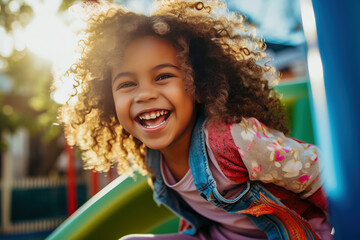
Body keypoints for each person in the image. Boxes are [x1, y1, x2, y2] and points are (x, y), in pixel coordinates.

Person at [57, 0, 333, 239]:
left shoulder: (234, 140)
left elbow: (320, 174)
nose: (145, 94)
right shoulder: (153, 157)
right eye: (127, 84)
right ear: (109, 101)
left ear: (198, 85)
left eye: (163, 76)